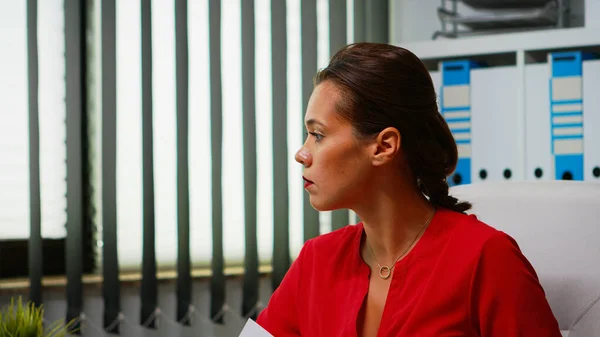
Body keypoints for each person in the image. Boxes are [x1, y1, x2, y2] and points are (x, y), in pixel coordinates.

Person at [256, 43, 561, 337]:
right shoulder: (316, 261)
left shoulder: (486, 258)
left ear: (383, 146)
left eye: (317, 135)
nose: (301, 153)